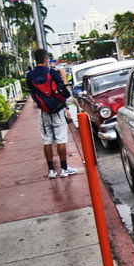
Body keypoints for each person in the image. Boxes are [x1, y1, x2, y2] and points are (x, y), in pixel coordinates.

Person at [26, 48, 78, 179]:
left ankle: (51, 170)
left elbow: (30, 90)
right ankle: (64, 169)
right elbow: (65, 93)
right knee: (61, 139)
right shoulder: (52, 72)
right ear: (45, 60)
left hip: (43, 112)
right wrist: (64, 77)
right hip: (57, 111)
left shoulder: (30, 75)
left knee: (47, 141)